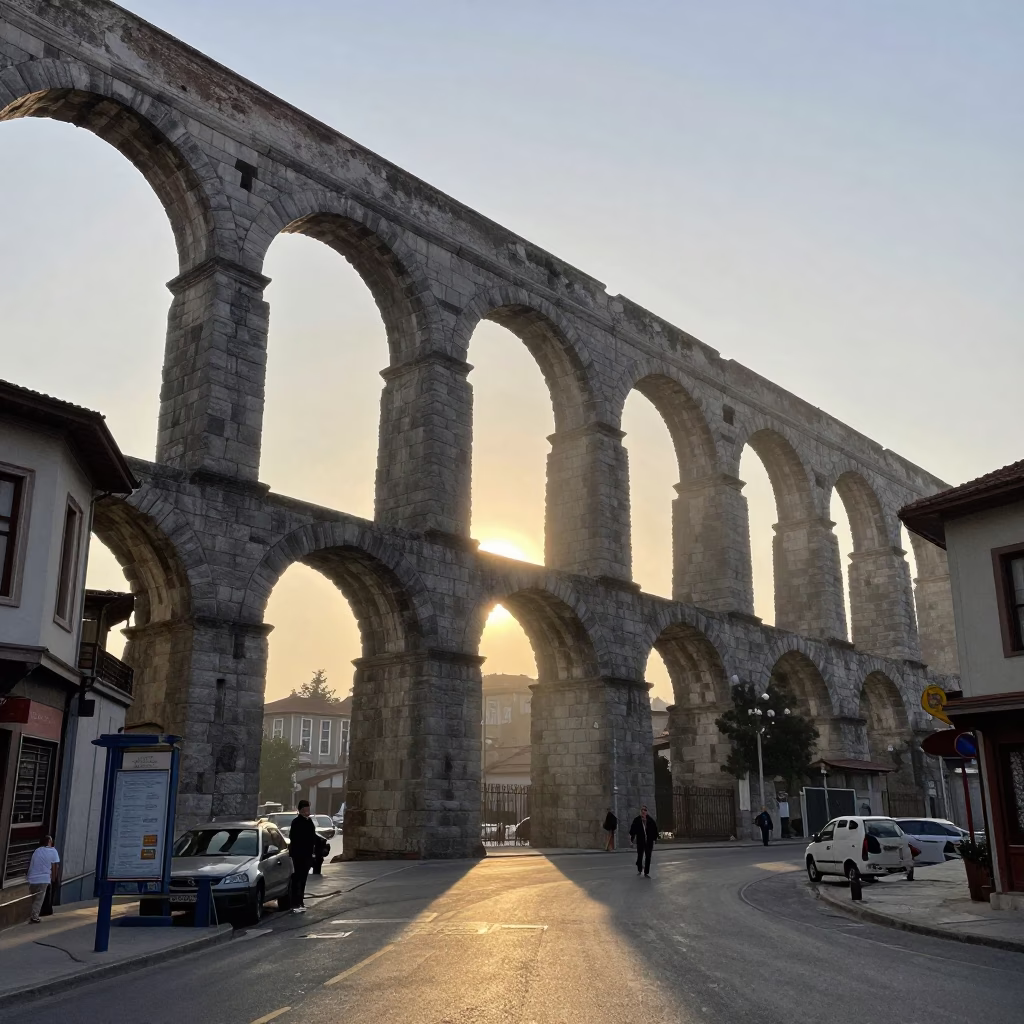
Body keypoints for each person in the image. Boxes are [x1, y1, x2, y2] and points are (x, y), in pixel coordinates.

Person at [288, 801, 317, 914]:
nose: (307, 811)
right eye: (305, 809)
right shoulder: (296, 822)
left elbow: (313, 837)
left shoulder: (309, 822)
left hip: (307, 855)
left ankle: (301, 901)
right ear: (300, 810)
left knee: (303, 879)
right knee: (297, 879)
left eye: (308, 809)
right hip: (298, 855)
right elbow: (294, 838)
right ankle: (295, 902)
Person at [26, 836, 60, 924]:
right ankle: (34, 917)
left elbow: (32, 864)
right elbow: (54, 866)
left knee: (34, 898)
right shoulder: (53, 851)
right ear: (49, 842)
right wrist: (53, 879)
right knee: (39, 899)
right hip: (43, 878)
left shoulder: (37, 851)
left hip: (32, 878)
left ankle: (32, 914)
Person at [629, 805, 658, 877]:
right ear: (640, 812)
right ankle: (639, 868)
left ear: (646, 812)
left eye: (645, 810)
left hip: (649, 842)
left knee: (648, 856)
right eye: (642, 810)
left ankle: (646, 872)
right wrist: (631, 840)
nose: (643, 811)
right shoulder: (637, 820)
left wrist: (654, 839)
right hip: (640, 841)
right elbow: (632, 830)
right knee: (640, 856)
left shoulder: (650, 820)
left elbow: (655, 830)